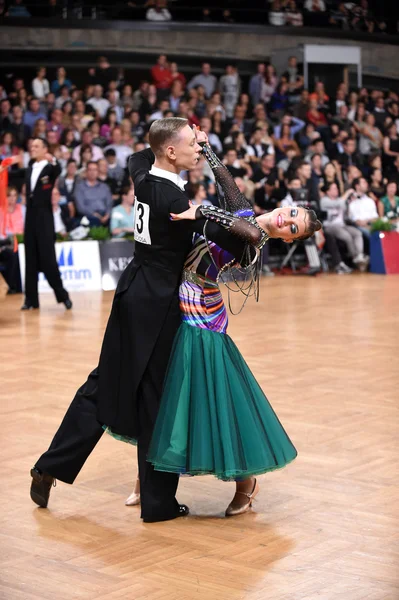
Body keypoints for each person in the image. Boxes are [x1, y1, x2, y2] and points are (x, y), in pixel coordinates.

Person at [124, 137, 321, 516]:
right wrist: (207, 148)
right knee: (163, 398)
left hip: (201, 318)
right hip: (174, 301)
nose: (287, 219)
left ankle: (246, 482)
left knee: (209, 400)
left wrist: (200, 213)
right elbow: (227, 183)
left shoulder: (253, 242)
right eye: (292, 212)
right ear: (287, 204)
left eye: (293, 227)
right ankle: (148, 481)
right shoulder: (245, 210)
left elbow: (246, 232)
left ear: (290, 238)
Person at [21, 138, 72, 310]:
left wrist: (54, 159)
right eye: (31, 146)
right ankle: (31, 300)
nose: (32, 148)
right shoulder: (29, 169)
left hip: (44, 218)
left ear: (44, 149)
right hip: (30, 217)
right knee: (30, 260)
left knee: (48, 259)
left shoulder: (50, 168)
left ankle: (62, 295)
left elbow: (58, 170)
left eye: (36, 146)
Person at [320, 182, 368, 273]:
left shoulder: (340, 200)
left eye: (336, 188)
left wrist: (350, 203)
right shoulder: (324, 200)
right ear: (328, 192)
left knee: (357, 233)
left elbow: (346, 215)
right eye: (334, 188)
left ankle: (359, 255)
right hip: (330, 226)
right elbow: (337, 204)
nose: (336, 190)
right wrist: (347, 193)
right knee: (346, 236)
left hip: (342, 225)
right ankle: (354, 256)